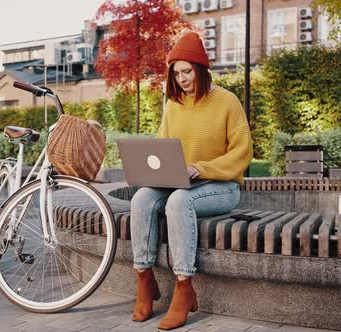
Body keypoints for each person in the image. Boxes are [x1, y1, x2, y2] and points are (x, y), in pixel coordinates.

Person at [129, 31, 253, 330]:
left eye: (187, 71)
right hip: (182, 183)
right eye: (176, 73)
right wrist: (156, 171)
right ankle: (145, 281)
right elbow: (162, 148)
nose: (182, 79)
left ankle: (184, 287)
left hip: (221, 187)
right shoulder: (173, 105)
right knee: (142, 197)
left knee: (179, 200)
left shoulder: (226, 101)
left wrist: (202, 168)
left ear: (200, 69)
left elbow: (243, 151)